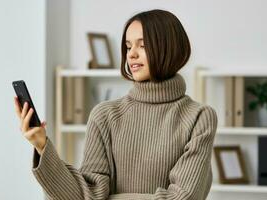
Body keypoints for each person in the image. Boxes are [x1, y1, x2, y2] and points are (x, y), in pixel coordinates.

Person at [14, 9, 217, 200]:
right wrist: (42, 146)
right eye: (128, 46)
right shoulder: (104, 115)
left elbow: (184, 197)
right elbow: (89, 195)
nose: (131, 54)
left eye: (143, 45)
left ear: (169, 48)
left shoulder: (199, 117)